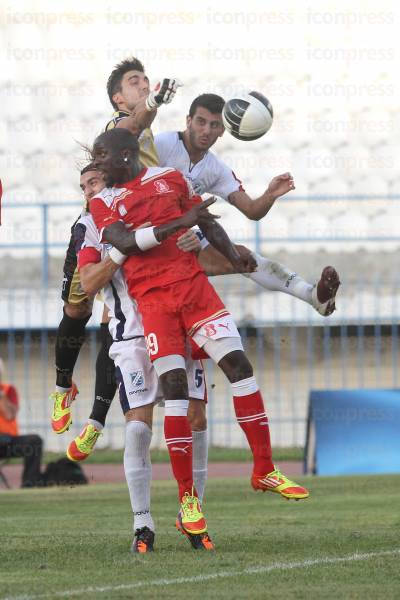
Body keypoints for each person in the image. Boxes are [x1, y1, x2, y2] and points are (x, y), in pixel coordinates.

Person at [89, 128, 309, 538]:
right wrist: (179, 223)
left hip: (194, 289)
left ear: (126, 153)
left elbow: (205, 220)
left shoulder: (170, 178)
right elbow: (124, 242)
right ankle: (187, 499)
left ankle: (264, 468)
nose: (97, 161)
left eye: (102, 153)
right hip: (152, 302)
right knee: (175, 390)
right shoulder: (103, 200)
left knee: (240, 367)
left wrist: (232, 256)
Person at [67, 165, 214, 551]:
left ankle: (192, 512)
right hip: (132, 336)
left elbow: (198, 252)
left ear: (114, 178)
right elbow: (89, 282)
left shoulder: (152, 205)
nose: (87, 190)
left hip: (177, 321)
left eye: (94, 181)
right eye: (82, 186)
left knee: (195, 416)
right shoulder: (90, 226)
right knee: (137, 427)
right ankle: (142, 525)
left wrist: (196, 244)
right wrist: (123, 247)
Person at [50, 56, 182, 439]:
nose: (143, 84)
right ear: (118, 97)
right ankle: (62, 388)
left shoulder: (151, 143)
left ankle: (95, 420)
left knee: (117, 322)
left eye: (146, 79)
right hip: (98, 225)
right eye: (134, 81)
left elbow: (147, 129)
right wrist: (154, 102)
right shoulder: (118, 128)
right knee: (77, 306)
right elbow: (135, 122)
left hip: (133, 231)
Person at [154, 92, 340, 317]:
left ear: (223, 130)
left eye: (214, 125)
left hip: (179, 239)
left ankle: (311, 295)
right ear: (188, 121)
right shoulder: (161, 145)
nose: (206, 130)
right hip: (144, 235)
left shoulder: (216, 169)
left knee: (244, 258)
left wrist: (270, 195)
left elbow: (252, 210)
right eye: (200, 122)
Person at [0, 358, 44, 488]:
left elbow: (9, 415)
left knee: (34, 441)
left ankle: (29, 484)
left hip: (6, 442)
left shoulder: (8, 390)